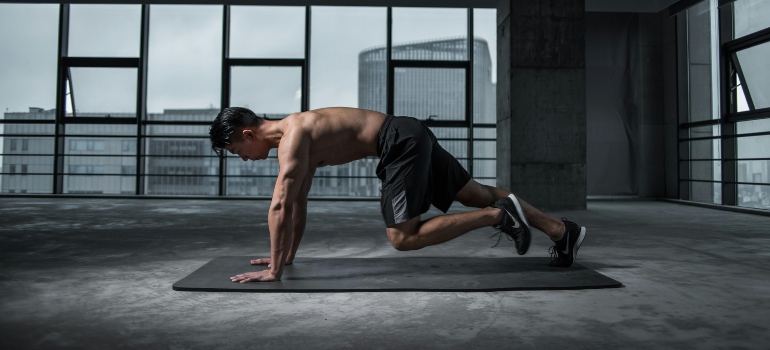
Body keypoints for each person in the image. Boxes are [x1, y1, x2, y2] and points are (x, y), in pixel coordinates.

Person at [208, 107, 586, 283]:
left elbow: (279, 205)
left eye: (236, 152)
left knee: (403, 237)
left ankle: (499, 216)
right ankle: (561, 231)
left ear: (247, 134)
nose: (242, 159)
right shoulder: (296, 135)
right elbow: (297, 201)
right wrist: (286, 257)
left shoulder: (292, 138)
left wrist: (274, 272)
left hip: (398, 142)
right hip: (408, 132)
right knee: (476, 192)